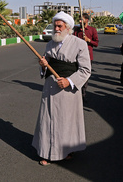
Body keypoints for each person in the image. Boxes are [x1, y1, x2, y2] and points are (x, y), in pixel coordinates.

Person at [32, 11, 91, 166]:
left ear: (68, 27)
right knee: (48, 120)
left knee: (66, 122)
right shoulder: (50, 44)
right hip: (50, 89)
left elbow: (85, 70)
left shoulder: (80, 44)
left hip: (68, 91)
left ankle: (66, 150)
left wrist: (69, 81)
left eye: (60, 26)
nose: (56, 29)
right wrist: (43, 66)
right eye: (55, 25)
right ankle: (47, 153)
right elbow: (46, 65)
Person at [73, 13, 99, 102]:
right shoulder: (76, 30)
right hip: (76, 56)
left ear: (87, 20)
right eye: (79, 20)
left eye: (82, 19)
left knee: (84, 76)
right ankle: (76, 94)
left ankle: (83, 95)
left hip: (88, 57)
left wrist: (89, 40)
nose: (80, 21)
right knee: (75, 74)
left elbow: (96, 43)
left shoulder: (92, 30)